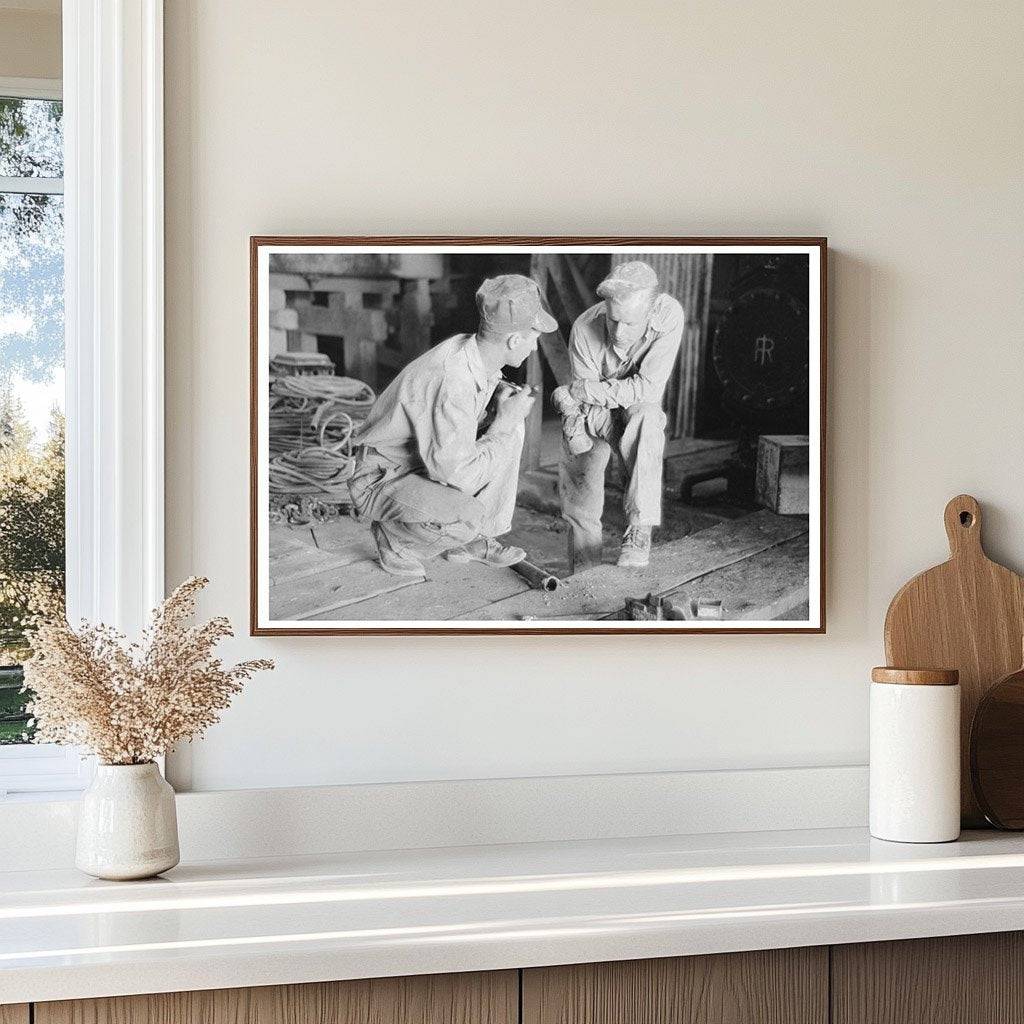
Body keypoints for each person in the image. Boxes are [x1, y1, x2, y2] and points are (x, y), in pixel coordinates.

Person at [348, 274, 555, 577]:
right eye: (534, 337)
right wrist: (501, 424)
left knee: (512, 427)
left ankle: (474, 541)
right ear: (514, 340)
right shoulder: (451, 380)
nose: (535, 348)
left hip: (418, 462)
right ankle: (395, 537)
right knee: (467, 516)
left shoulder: (473, 352)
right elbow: (460, 476)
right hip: (382, 477)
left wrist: (498, 405)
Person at [553, 261, 684, 570]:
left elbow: (648, 390)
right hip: (592, 413)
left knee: (647, 419)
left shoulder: (668, 315)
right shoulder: (586, 328)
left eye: (629, 323)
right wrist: (576, 417)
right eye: (613, 321)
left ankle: (639, 530)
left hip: (630, 405)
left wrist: (584, 389)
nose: (619, 332)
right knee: (581, 482)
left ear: (650, 311)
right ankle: (585, 570)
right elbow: (583, 406)